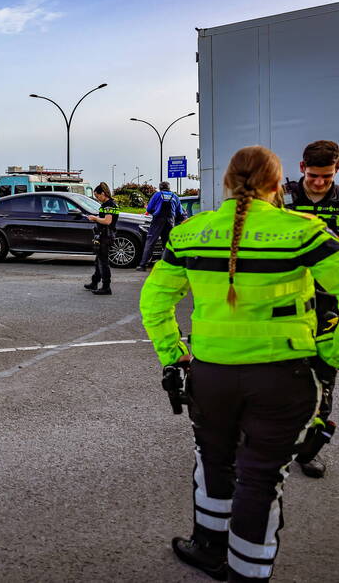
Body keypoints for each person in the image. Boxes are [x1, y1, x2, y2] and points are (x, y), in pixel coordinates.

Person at [140, 145, 339, 581]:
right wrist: (327, 357)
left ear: (226, 182)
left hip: (210, 376)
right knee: (261, 479)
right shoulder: (305, 232)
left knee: (211, 459)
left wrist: (174, 356)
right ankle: (247, 574)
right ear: (277, 183)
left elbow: (154, 301)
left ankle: (209, 547)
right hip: (283, 378)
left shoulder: (190, 232)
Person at [284, 139, 339, 478]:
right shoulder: (282, 197)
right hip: (285, 299)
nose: (320, 182)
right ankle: (267, 440)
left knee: (324, 373)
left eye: (327, 177)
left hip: (328, 302)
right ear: (303, 167)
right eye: (314, 175)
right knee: (278, 371)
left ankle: (309, 450)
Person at [137, 181, 183, 270]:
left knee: (150, 242)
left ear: (160, 187)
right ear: (169, 188)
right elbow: (179, 212)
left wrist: (154, 212)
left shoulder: (157, 195)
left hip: (158, 220)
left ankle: (143, 265)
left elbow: (149, 209)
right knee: (168, 244)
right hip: (170, 221)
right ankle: (169, 265)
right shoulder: (175, 196)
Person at [83, 182, 118, 295]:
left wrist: (95, 218)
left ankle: (106, 287)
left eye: (98, 196)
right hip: (105, 235)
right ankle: (94, 282)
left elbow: (108, 221)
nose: (97, 199)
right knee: (99, 261)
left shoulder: (108, 205)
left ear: (103, 193)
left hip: (105, 236)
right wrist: (98, 218)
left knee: (103, 262)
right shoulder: (110, 204)